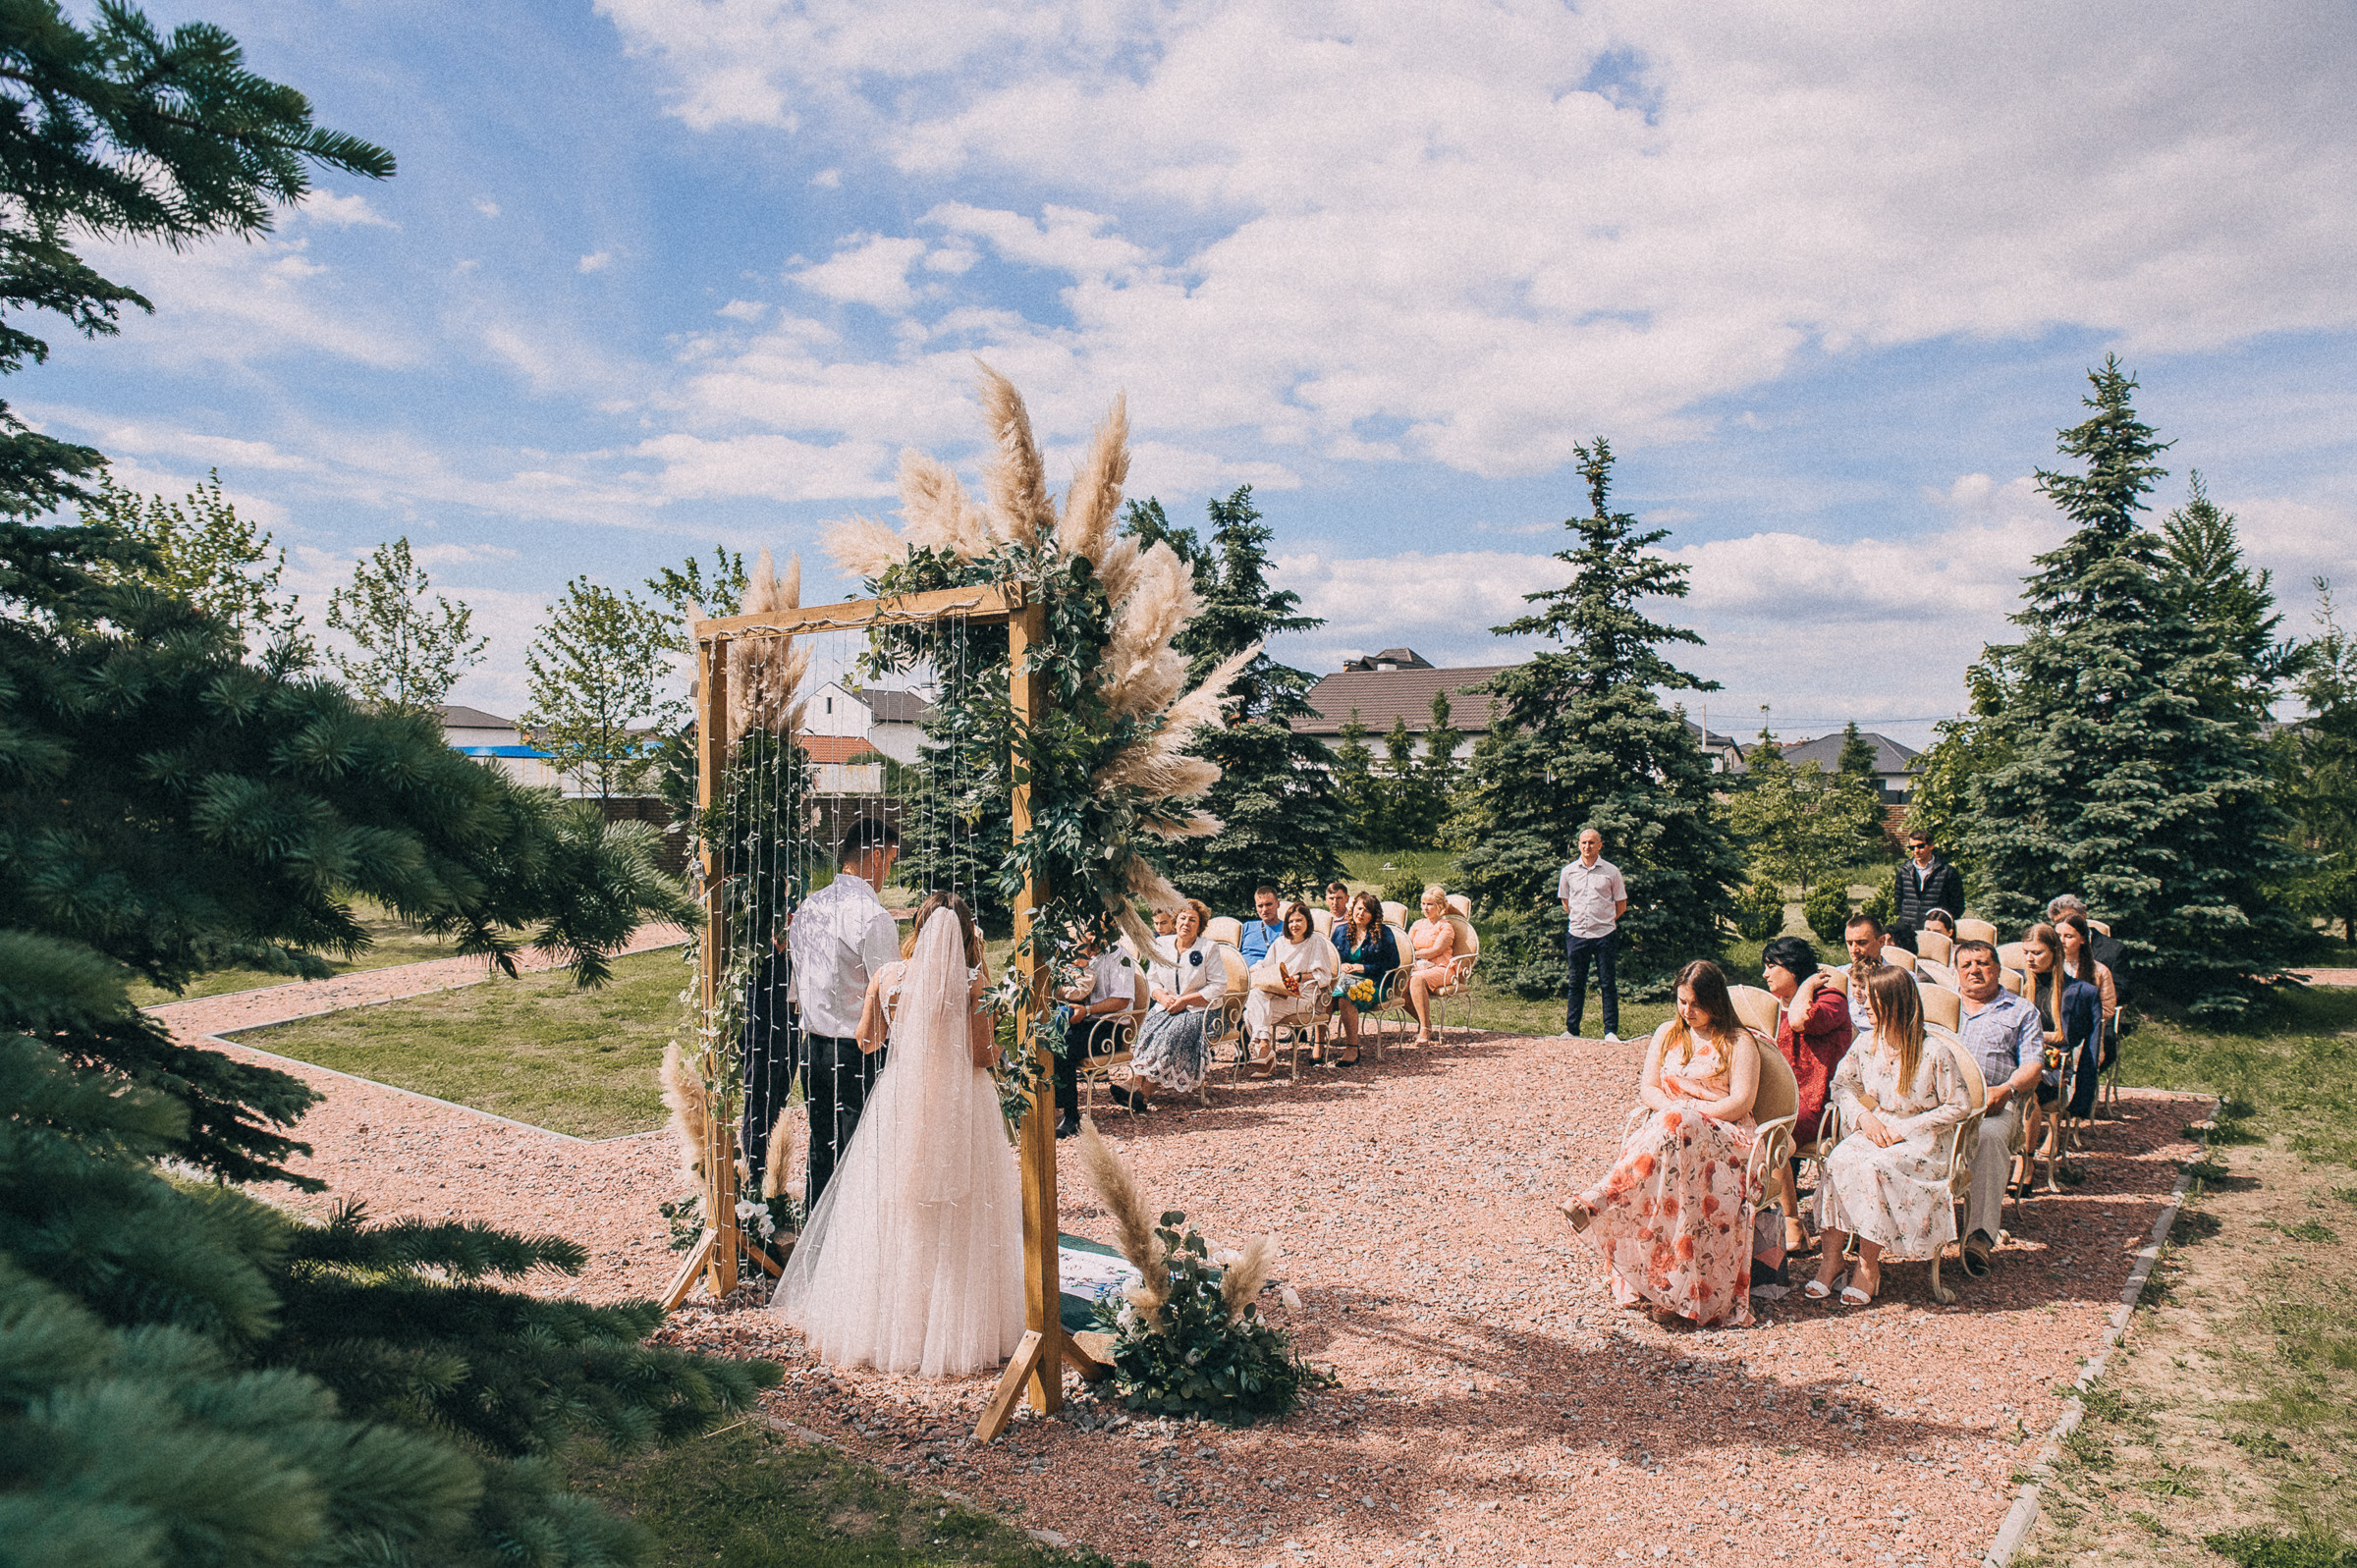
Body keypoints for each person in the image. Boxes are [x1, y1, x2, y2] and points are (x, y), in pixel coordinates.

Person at [772, 893, 1023, 1377]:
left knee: (896, 1202)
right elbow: (981, 1055)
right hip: (961, 1103)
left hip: (902, 1098)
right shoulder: (974, 983)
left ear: (918, 930)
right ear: (969, 934)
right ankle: (959, 1324)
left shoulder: (887, 977)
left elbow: (867, 1041)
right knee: (962, 1207)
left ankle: (891, 1321)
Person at [1559, 959, 1764, 1327]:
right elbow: (1648, 1088)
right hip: (1672, 1135)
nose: (1687, 1011)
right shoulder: (1668, 1033)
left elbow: (1741, 1103)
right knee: (1672, 1140)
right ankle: (1664, 1287)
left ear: (1716, 1002)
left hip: (1723, 1138)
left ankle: (1601, 1197)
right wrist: (1677, 1110)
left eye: (1696, 1005)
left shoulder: (1738, 1042)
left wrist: (1692, 1110)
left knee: (1677, 1123)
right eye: (1682, 1002)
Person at [1807, 967, 1974, 1306]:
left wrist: (1905, 1129)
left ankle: (1868, 1266)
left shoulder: (1934, 1051)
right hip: (1877, 1127)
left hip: (1923, 1139)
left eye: (1873, 998)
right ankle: (1832, 1259)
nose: (1863, 1002)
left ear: (1895, 1002)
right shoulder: (1867, 1042)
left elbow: (1960, 1105)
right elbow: (1842, 1086)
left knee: (1876, 1167)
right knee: (1838, 1160)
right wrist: (1865, 1117)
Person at [789, 822, 902, 1210]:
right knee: (864, 1153)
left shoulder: (808, 908)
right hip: (860, 1053)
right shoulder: (873, 917)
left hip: (813, 1050)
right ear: (873, 856)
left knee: (822, 1149)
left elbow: (797, 987)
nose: (888, 872)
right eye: (889, 860)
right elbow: (891, 997)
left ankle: (816, 1241)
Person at [1951, 939, 2045, 1277]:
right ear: (1957, 971)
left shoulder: (2020, 1011)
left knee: (1988, 1138)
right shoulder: (1943, 1006)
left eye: (1983, 963)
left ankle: (1978, 1236)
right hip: (1941, 1103)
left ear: (1998, 969)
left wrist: (2007, 1090)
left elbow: (2033, 1065)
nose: (1975, 970)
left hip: (1995, 1104)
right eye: (1967, 965)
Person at [1761, 935, 1854, 1255]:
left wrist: (1808, 986)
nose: (1765, 974)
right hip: (1784, 1105)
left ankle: (1791, 1223)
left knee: (1770, 1135)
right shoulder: (1775, 1007)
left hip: (1822, 1107)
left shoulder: (1832, 1000)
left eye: (1771, 966)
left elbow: (1802, 1021)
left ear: (1794, 968)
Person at [1121, 899, 1227, 1106]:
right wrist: (1161, 996)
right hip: (1167, 1007)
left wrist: (1185, 1001)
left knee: (1172, 1035)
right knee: (1148, 1032)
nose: (1186, 923)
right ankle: (1136, 1087)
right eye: (1182, 918)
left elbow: (1218, 986)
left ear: (1200, 925)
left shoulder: (1208, 948)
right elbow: (1152, 979)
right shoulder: (1161, 944)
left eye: (1192, 920)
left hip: (1201, 1011)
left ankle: (1140, 1089)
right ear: (1175, 920)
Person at [2021, 923, 2100, 1196]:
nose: (2030, 959)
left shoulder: (2077, 992)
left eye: (2037, 953)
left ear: (2055, 952)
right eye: (2026, 952)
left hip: (2052, 1066)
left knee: (2027, 1090)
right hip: (2019, 1058)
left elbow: (2069, 1037)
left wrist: (2033, 1036)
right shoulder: (2019, 985)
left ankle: (2026, 1163)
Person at [1050, 929, 1139, 1138]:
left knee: (1064, 1044)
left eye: (1095, 928)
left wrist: (1088, 1011)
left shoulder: (1120, 956)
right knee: (1047, 1037)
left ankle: (1071, 1116)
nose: (1089, 934)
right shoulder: (1082, 954)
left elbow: (1122, 1000)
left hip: (1110, 1029)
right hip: (1085, 1023)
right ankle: (1048, 1104)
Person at [1244, 900, 1337, 1077]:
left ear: (1307, 921)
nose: (1295, 925)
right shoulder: (1280, 942)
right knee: (1255, 994)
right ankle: (1265, 1047)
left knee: (1250, 1014)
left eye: (1299, 920)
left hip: (1303, 995)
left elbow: (1325, 976)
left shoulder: (1315, 941)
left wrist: (1301, 977)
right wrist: (1249, 970)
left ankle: (1265, 1054)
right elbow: (1265, 965)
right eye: (1291, 921)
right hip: (1279, 991)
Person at [1558, 827, 1627, 1041]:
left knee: (1607, 983)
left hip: (1604, 935)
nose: (1587, 847)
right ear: (1578, 845)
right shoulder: (1568, 872)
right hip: (1577, 935)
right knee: (1576, 983)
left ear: (1600, 845)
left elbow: (1621, 904)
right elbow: (1566, 902)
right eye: (1583, 843)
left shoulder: (1611, 872)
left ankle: (1610, 1031)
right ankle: (1572, 1030)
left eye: (1591, 843)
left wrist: (1604, 920)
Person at [1329, 891, 1399, 1063]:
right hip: (1344, 980)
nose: (1361, 913)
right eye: (1359, 908)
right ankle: (1318, 1045)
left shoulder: (1384, 933)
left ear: (1374, 915)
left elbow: (1393, 963)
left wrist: (1364, 968)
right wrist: (1341, 965)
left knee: (1345, 994)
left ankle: (1352, 1049)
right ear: (1352, 910)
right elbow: (1330, 957)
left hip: (1375, 984)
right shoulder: (1340, 931)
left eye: (1366, 910)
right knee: (1324, 993)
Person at [1891, 833, 1966, 952]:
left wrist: (1940, 923)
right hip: (1908, 932)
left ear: (1931, 846)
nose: (1916, 851)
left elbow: (1957, 905)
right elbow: (1899, 899)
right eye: (1912, 847)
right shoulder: (1903, 871)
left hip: (1935, 934)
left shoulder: (1947, 872)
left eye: (1920, 846)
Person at [1404, 885, 1459, 1046]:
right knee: (1399, 985)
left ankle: (1425, 1029)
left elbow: (1435, 950)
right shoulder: (1417, 924)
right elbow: (1408, 945)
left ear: (1440, 906)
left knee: (1416, 980)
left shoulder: (1446, 926)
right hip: (1419, 966)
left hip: (1443, 968)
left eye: (1430, 904)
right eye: (1423, 904)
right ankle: (1424, 1023)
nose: (1425, 908)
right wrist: (1409, 956)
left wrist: (1414, 955)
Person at [1834, 913, 1888, 1037]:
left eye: (1861, 943)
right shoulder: (1839, 975)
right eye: (1849, 943)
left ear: (1881, 941)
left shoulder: (1899, 978)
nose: (1854, 950)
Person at [1238, 886, 1283, 966]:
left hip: (1271, 973)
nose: (1264, 909)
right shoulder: (1247, 927)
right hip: (1243, 974)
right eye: (1260, 906)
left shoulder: (1287, 929)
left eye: (1268, 904)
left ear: (1278, 904)